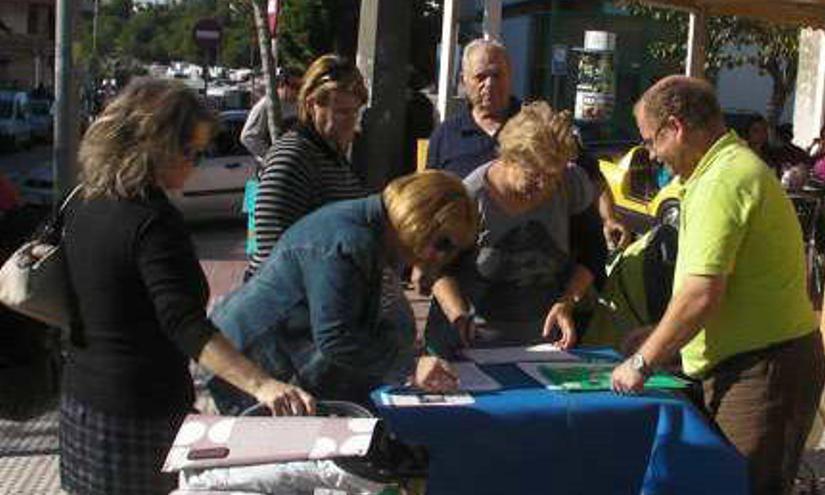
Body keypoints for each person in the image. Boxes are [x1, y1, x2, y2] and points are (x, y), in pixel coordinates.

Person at [60, 78, 315, 495]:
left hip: (81, 403)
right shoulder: (152, 222)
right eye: (190, 152)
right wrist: (262, 385)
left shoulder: (83, 201)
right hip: (139, 415)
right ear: (153, 143)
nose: (195, 164)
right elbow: (186, 325)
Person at [610, 76, 825, 495]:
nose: (652, 156)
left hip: (764, 370)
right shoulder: (719, 172)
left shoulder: (723, 181)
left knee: (741, 486)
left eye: (652, 141)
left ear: (676, 127)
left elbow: (700, 293)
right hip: (752, 363)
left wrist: (643, 362)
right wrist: (656, 340)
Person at [208, 171, 478, 411]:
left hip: (281, 359)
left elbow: (381, 309)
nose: (442, 257)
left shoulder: (378, 230)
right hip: (247, 370)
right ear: (418, 221)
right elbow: (336, 336)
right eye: (443, 244)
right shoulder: (347, 241)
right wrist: (409, 365)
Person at [422, 38, 629, 293]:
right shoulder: (446, 135)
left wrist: (609, 218)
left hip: (543, 274)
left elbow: (591, 177)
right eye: (481, 77)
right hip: (466, 277)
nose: (490, 84)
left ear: (510, 76)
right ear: (464, 80)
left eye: (498, 75)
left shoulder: (539, 125)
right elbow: (429, 200)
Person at [426, 101, 596, 353]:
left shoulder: (571, 183)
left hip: (544, 344)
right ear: (508, 157)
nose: (544, 186)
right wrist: (459, 315)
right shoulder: (471, 197)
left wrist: (567, 301)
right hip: (470, 342)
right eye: (533, 174)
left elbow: (594, 251)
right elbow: (437, 267)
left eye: (552, 176)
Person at [247, 54, 368, 277]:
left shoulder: (332, 153)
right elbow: (271, 258)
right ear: (312, 104)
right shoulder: (292, 157)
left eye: (355, 111)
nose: (351, 121)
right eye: (342, 112)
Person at [239, 69, 300, 165]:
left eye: (301, 87)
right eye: (295, 87)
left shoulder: (297, 105)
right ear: (282, 85)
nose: (298, 91)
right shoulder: (266, 105)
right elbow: (248, 137)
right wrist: (273, 156)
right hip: (273, 168)